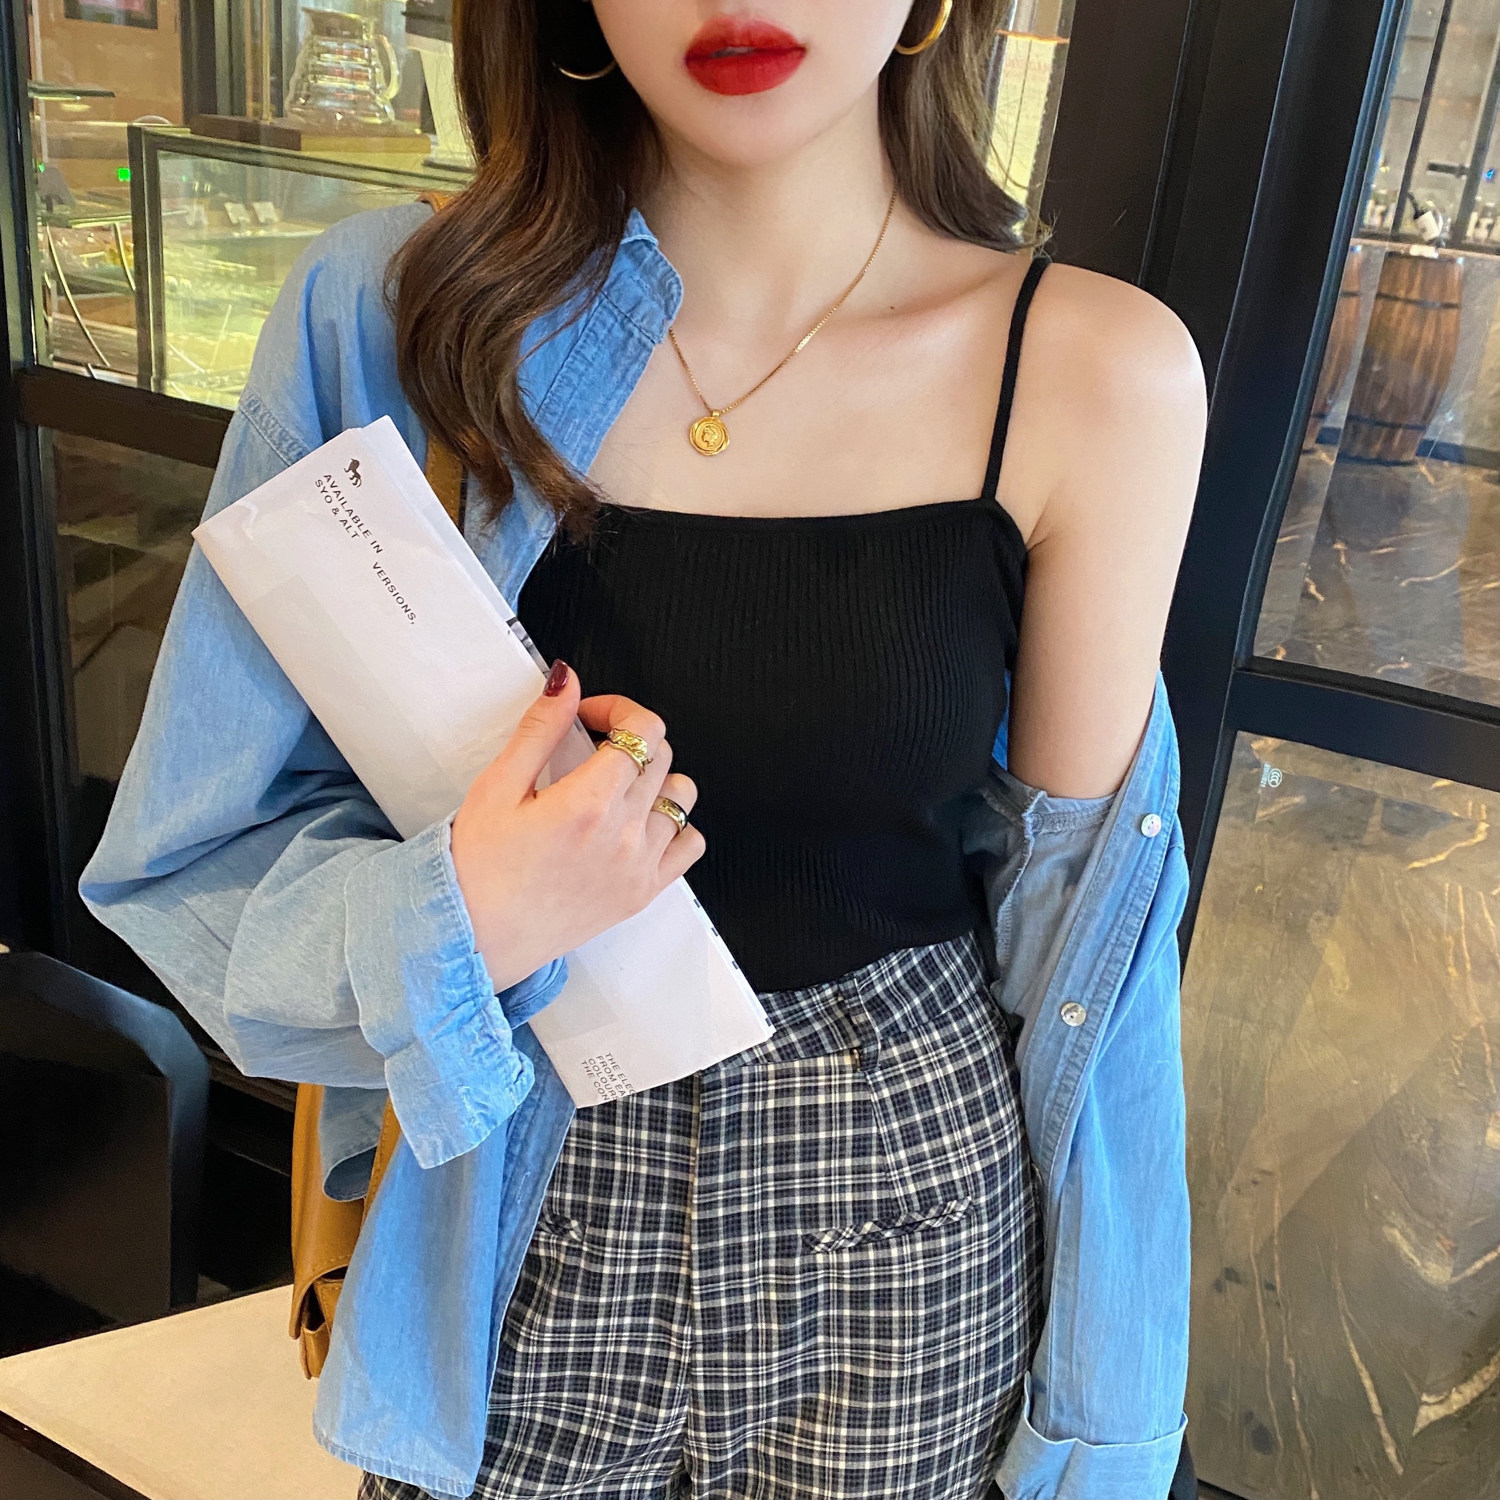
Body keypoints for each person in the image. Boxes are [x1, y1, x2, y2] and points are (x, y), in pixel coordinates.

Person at [79, 2, 1206, 1497]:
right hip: (514, 1179)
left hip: (908, 1210)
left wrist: (1106, 1434)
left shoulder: (1093, 371)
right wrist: (462, 915)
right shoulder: (399, 316)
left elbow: (1090, 951)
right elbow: (189, 863)